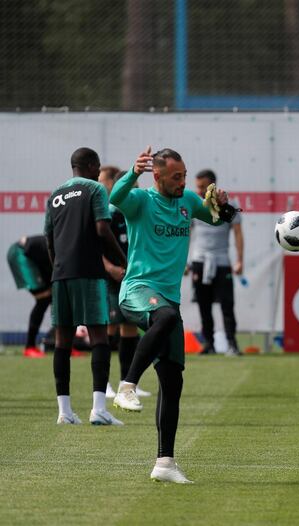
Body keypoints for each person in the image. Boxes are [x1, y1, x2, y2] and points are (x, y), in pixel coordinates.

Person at [110, 146, 238, 484]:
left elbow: (222, 218)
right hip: (138, 290)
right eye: (176, 177)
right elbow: (116, 196)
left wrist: (224, 204)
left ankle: (164, 462)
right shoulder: (140, 200)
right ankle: (127, 385)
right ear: (158, 176)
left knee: (172, 381)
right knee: (165, 318)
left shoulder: (187, 203)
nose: (183, 182)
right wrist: (132, 172)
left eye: (184, 175)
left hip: (168, 300)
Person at [43, 147, 128, 426]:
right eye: (98, 166)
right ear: (91, 165)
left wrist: (58, 266)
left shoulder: (55, 195)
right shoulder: (95, 189)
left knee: (62, 342)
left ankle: (64, 412)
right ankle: (99, 409)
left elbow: (49, 238)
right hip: (89, 272)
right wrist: (123, 259)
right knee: (99, 338)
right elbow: (103, 229)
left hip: (61, 275)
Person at [97, 166, 151, 399]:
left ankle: (126, 382)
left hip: (132, 276)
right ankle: (103, 385)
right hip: (111, 277)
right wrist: (109, 268)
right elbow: (96, 244)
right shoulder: (109, 212)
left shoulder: (138, 212)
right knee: (109, 329)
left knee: (129, 329)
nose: (135, 193)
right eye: (132, 188)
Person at [189, 169, 244, 356]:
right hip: (199, 260)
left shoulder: (229, 204)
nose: (198, 190)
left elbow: (237, 233)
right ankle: (209, 344)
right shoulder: (194, 204)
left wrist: (239, 260)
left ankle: (232, 344)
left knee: (227, 305)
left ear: (212, 186)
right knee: (204, 305)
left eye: (202, 187)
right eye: (197, 186)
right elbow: (186, 234)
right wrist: (184, 262)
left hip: (221, 260)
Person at [7, 235, 53, 358]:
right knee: (44, 298)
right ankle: (29, 346)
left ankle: (63, 344)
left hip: (33, 256)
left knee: (57, 299)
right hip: (20, 253)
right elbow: (30, 247)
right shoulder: (56, 248)